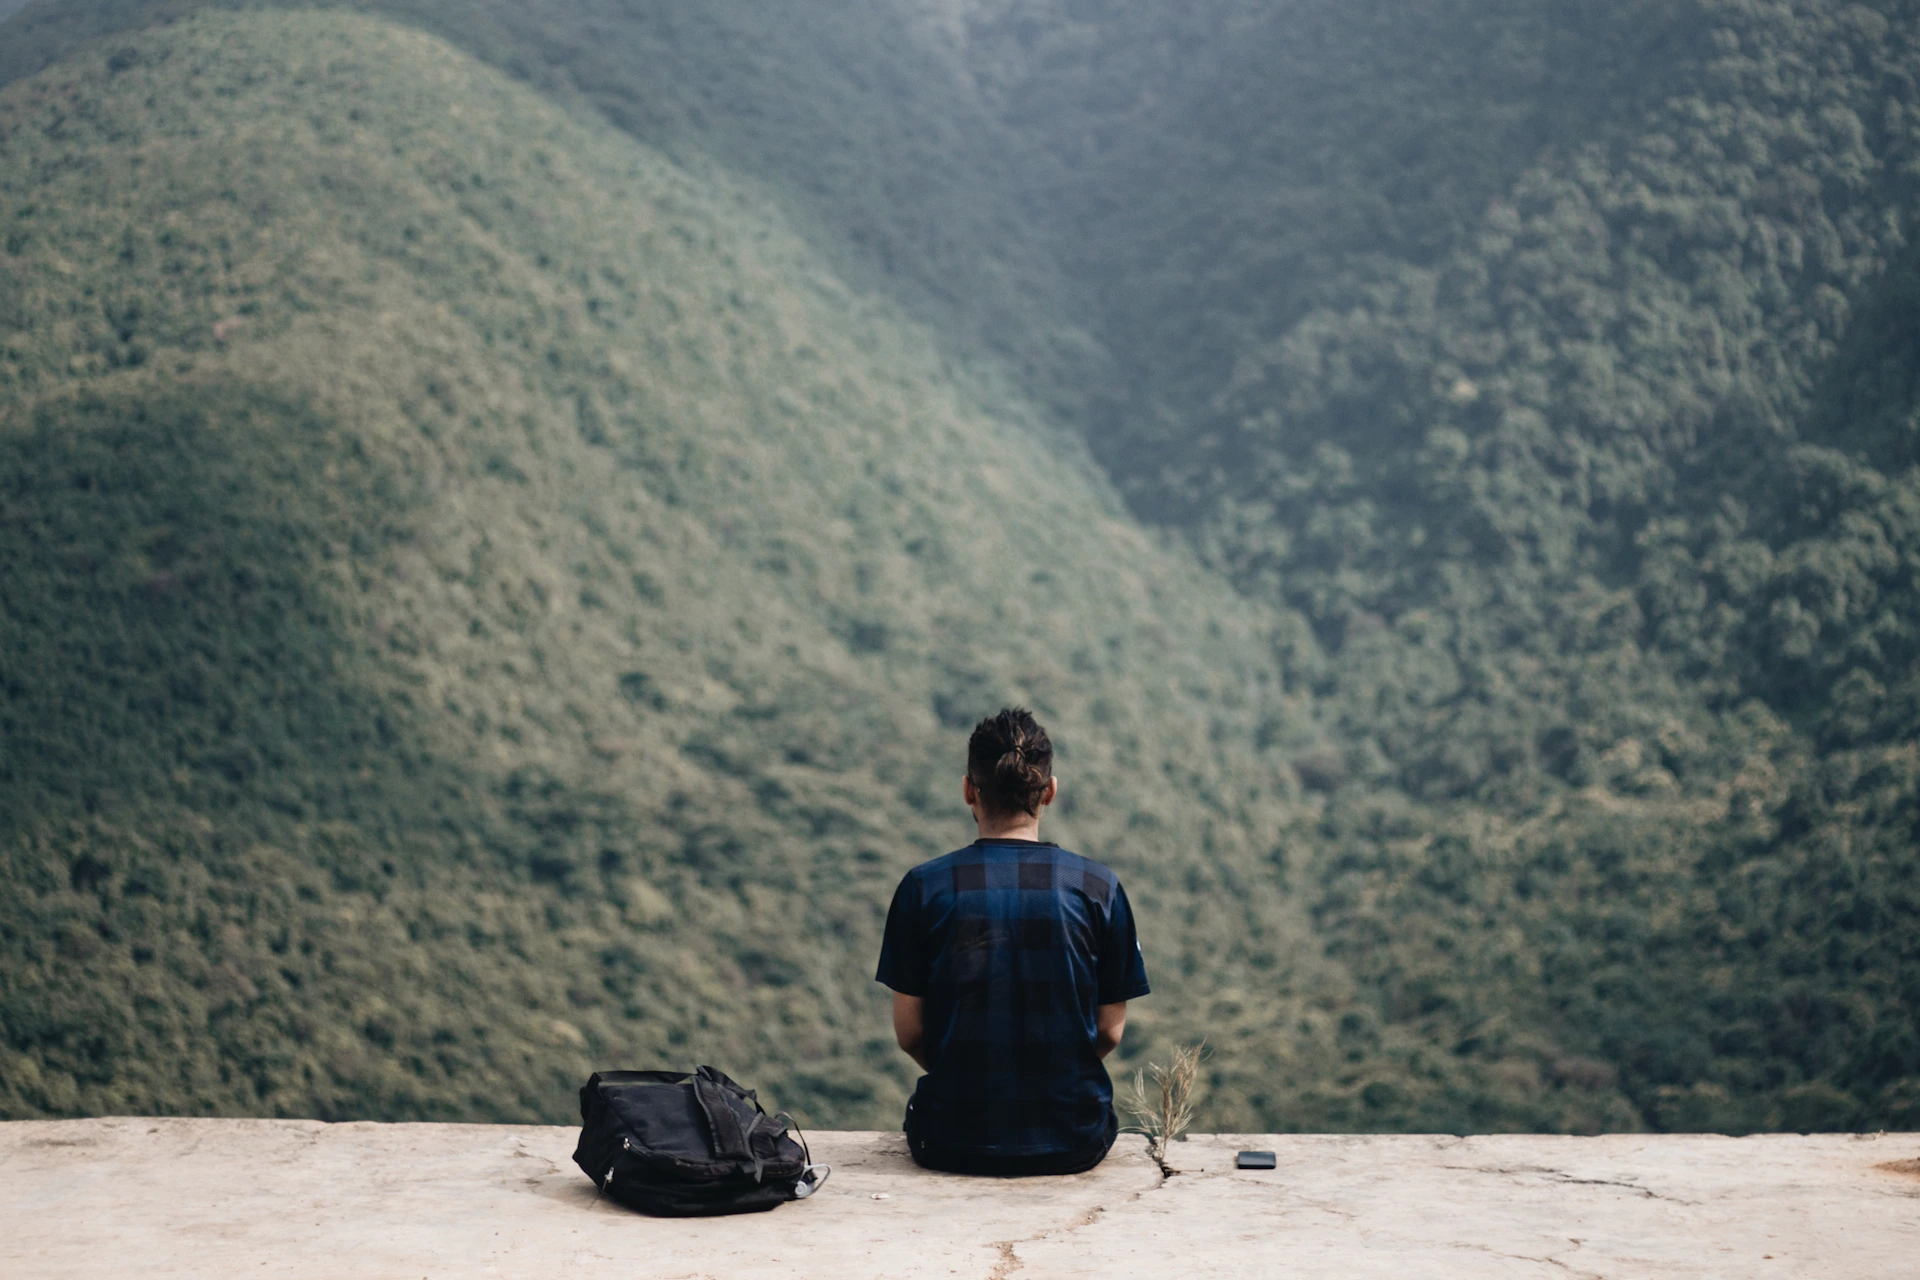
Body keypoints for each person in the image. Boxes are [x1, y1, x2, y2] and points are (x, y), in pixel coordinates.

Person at [875, 707, 1150, 1176]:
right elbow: (1109, 1031)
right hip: (1073, 1139)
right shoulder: (1099, 888)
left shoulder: (923, 888)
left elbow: (911, 1034)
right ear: (1050, 791)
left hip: (949, 1138)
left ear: (968, 790)